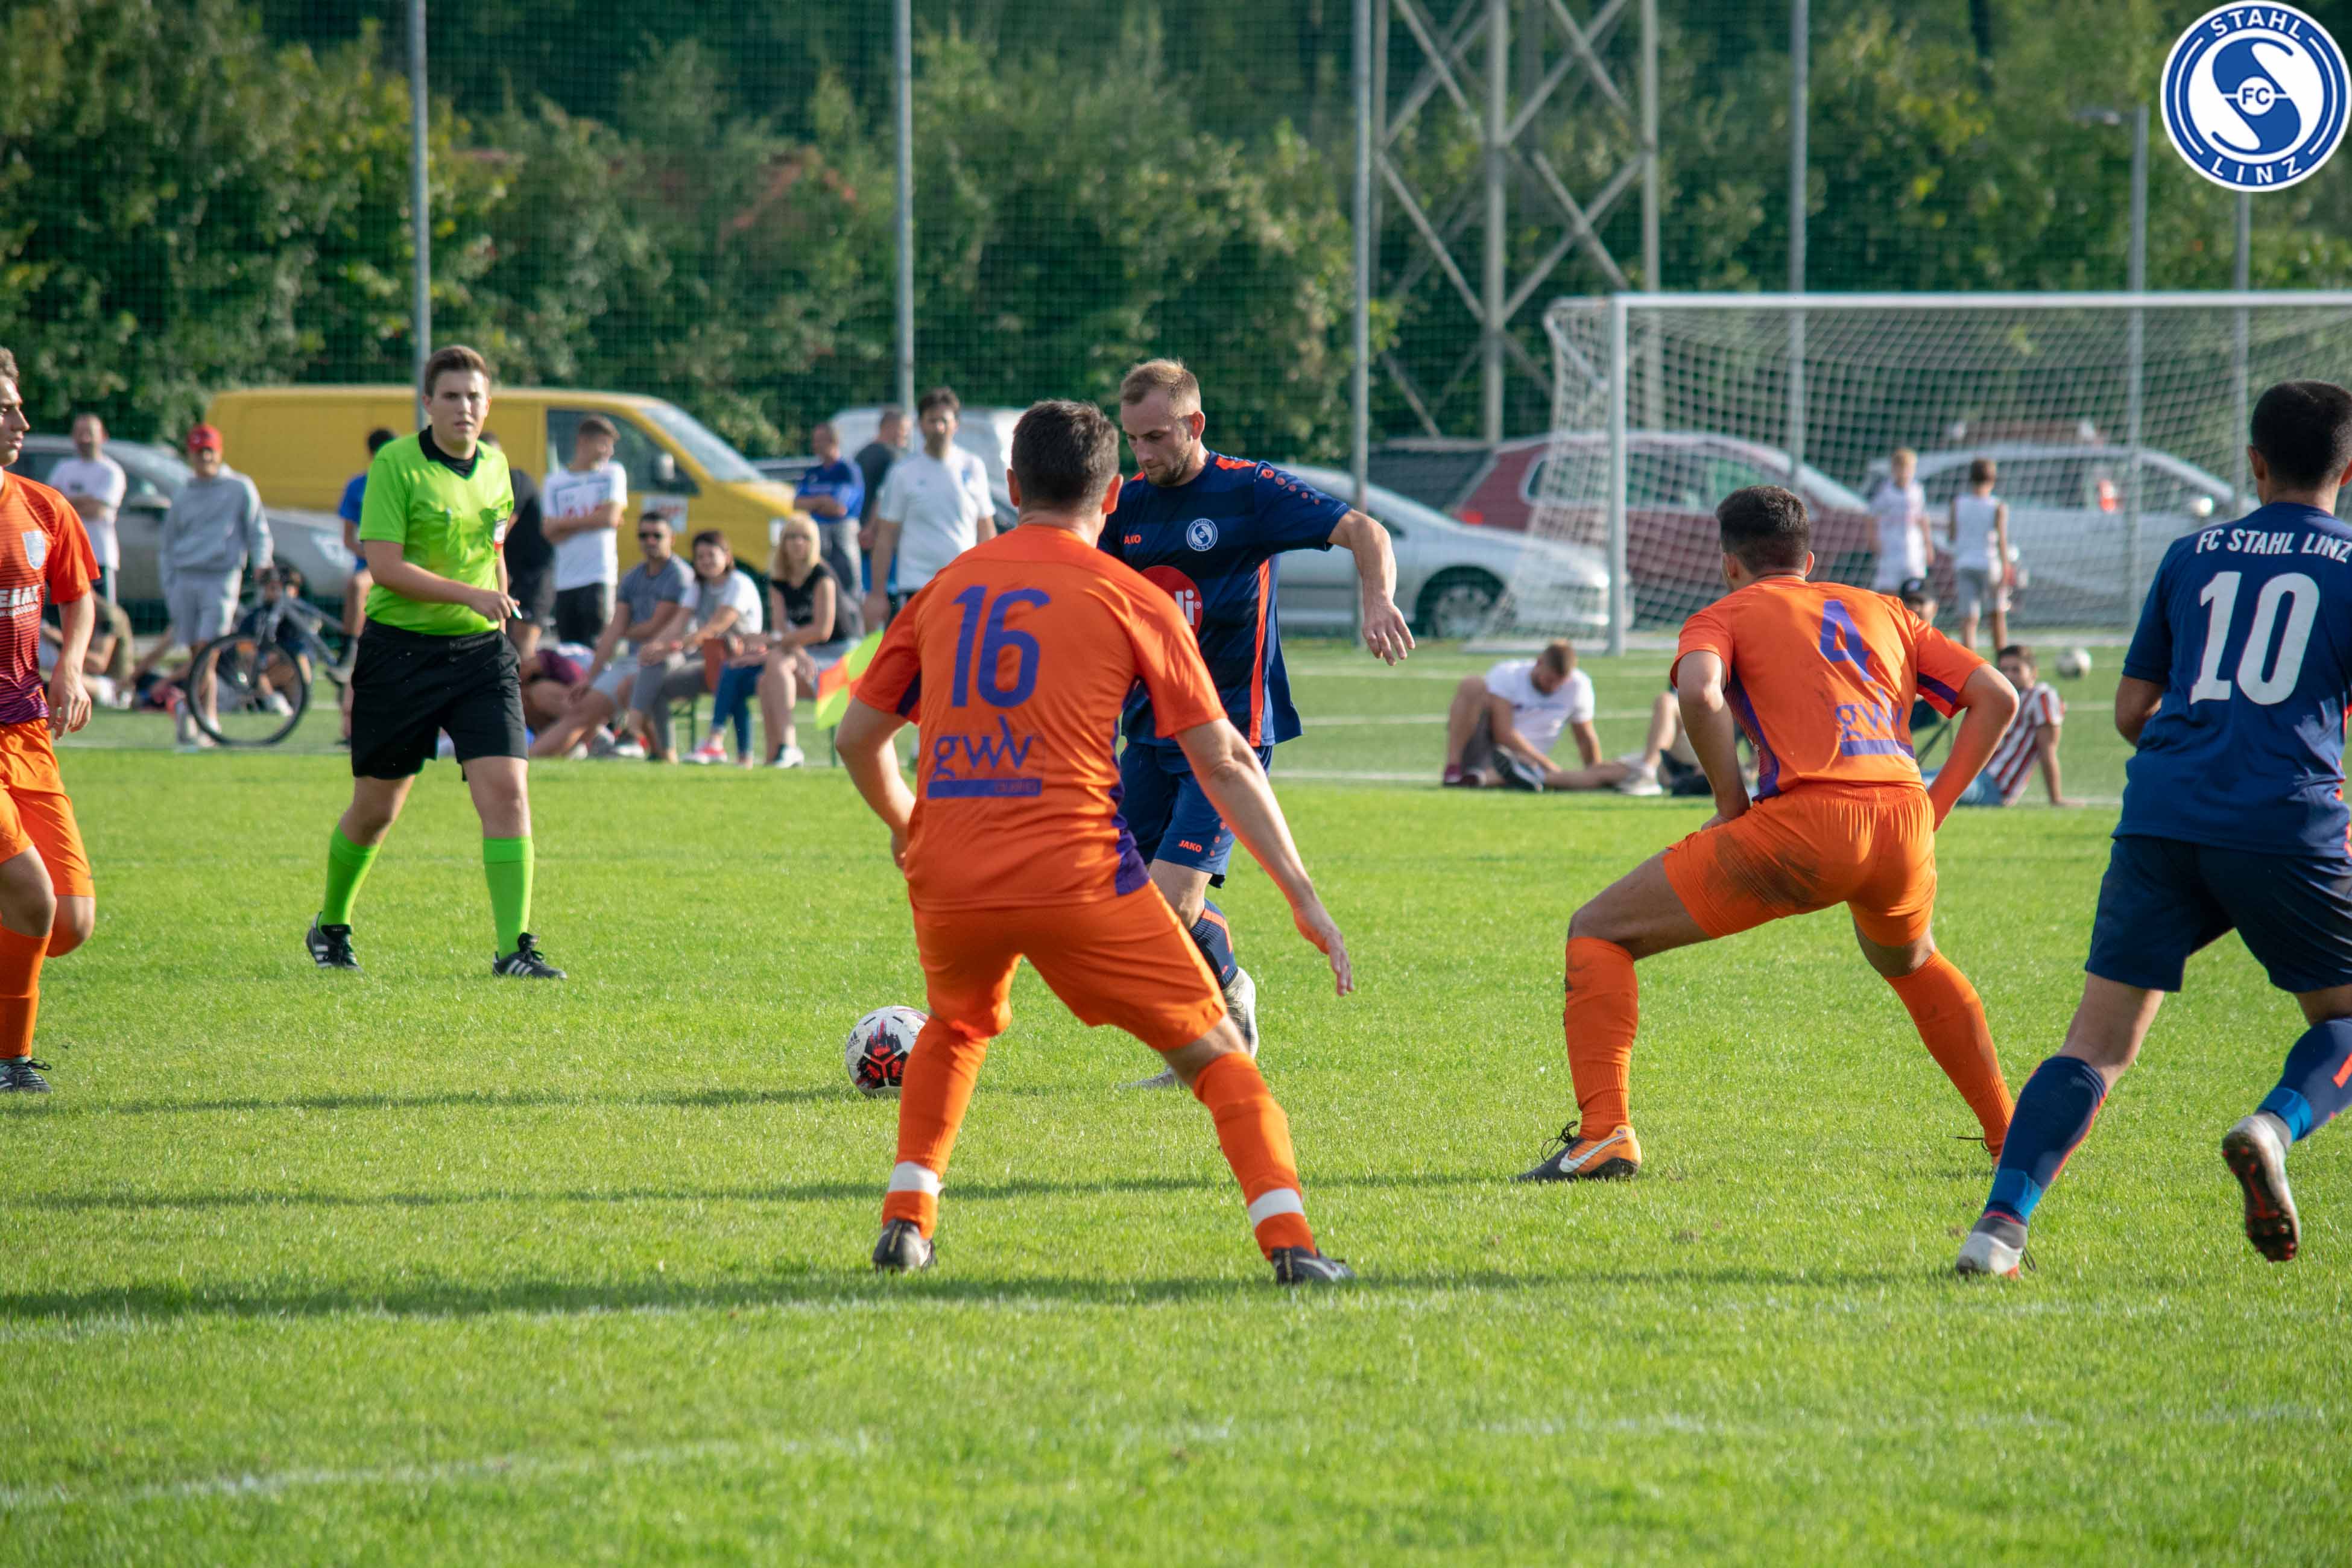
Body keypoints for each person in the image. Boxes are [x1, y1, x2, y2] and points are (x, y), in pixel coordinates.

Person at [837, 397, 1356, 1285]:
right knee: (1220, 1059)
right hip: (1077, 874)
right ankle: (1292, 1246)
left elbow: (857, 738)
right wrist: (1303, 895)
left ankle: (907, 1223)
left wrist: (907, 822)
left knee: (956, 1027)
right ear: (1112, 495)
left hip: (952, 871)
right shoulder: (1131, 595)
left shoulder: (943, 588)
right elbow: (1226, 758)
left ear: (1010, 487)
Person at [1956, 381, 2352, 1278]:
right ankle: (2274, 1126)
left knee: (2094, 1046)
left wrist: (2205, 747)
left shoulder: (2192, 554)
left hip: (2162, 816)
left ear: (2254, 462)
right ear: (2349, 470)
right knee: (2343, 1017)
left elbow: (2133, 709)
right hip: (2285, 821)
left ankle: (1998, 1231)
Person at [1517, 484, 2021, 1184]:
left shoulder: (1725, 612)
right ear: (1808, 560)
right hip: (1903, 822)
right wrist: (1932, 807)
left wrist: (1731, 803)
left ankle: (1606, 1134)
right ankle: (2011, 1138)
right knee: (1911, 961)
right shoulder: (1888, 609)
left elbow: (1699, 692)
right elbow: (1998, 695)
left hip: (1806, 825)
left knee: (1599, 931)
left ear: (1730, 563)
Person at [1107, 358, 1414, 1088]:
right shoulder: (1124, 505)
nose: (1143, 453)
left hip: (1230, 734)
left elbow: (1366, 531)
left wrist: (1377, 600)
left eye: (1156, 437)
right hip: (1147, 729)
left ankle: (1213, 1034)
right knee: (1123, 897)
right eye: (1133, 439)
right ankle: (1229, 990)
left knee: (1170, 901)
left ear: (1194, 424)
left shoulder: (1248, 489)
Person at [306, 344, 564, 980]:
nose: (463, 407)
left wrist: (499, 607)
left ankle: (514, 948)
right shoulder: (396, 465)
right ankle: (331, 924)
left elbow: (494, 552)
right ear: (428, 403)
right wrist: (470, 595)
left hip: (481, 655)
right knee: (378, 810)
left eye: (474, 396)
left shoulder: (498, 470)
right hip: (400, 653)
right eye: (450, 395)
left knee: (509, 792)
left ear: (488, 404)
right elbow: (385, 566)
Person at [0, 347, 100, 1093]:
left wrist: (71, 666)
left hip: (27, 729)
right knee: (30, 894)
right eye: (5, 408)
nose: (23, 421)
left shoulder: (43, 506)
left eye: (19, 404)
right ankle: (12, 1061)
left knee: (69, 919)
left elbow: (79, 593)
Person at [526, 512, 693, 762]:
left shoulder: (679, 575)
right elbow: (614, 630)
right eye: (643, 535)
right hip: (634, 661)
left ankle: (656, 752)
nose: (650, 541)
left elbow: (654, 627)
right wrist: (591, 677)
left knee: (632, 687)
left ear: (672, 539)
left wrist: (620, 631)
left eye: (657, 536)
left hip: (671, 658)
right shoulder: (633, 577)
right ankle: (529, 761)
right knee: (581, 710)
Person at [153, 423, 270, 750]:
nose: (205, 457)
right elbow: (168, 544)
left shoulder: (239, 487)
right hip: (185, 578)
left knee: (210, 649)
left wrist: (262, 563)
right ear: (190, 455)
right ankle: (207, 719)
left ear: (219, 452)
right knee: (198, 653)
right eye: (198, 452)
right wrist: (170, 584)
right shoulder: (183, 493)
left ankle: (188, 710)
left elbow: (258, 530)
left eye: (209, 451)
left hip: (221, 577)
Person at [865, 387, 993, 630]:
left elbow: (985, 528)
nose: (939, 427)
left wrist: (991, 579)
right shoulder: (903, 472)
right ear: (920, 425)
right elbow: (886, 537)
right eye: (932, 421)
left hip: (964, 585)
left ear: (956, 424)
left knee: (961, 652)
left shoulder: (973, 466)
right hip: (917, 586)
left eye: (944, 420)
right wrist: (877, 594)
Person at [751, 514, 850, 770]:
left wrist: (784, 644)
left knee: (772, 668)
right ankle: (775, 755)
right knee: (765, 680)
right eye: (792, 537)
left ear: (814, 542)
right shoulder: (778, 580)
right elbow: (780, 629)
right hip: (803, 652)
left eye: (805, 537)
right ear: (783, 543)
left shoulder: (822, 576)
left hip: (838, 653)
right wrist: (799, 653)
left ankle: (788, 746)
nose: (798, 543)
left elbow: (822, 630)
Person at [1440, 640, 1598, 791]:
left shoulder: (1579, 685)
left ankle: (1482, 779)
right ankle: (1454, 768)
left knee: (1605, 772)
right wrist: (1548, 766)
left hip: (1529, 762)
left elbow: (1585, 736)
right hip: (1493, 752)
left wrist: (1593, 771)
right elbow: (1503, 733)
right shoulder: (1508, 674)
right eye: (1550, 680)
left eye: (1560, 683)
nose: (1553, 687)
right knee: (1472, 684)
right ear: (1539, 663)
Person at [1939, 646, 2076, 809]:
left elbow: (2048, 751)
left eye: (2016, 670)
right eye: (2004, 670)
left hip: (1993, 784)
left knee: (1925, 786)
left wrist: (2056, 798)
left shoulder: (2042, 696)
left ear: (2033, 672)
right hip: (1974, 774)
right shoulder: (2003, 698)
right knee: (1917, 780)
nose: (2009, 675)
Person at [673, 531, 764, 767]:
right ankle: (742, 758)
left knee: (729, 672)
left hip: (752, 657)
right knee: (729, 676)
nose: (705, 561)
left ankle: (715, 741)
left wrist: (680, 644)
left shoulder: (739, 583)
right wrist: (661, 646)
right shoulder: (698, 586)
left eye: (711, 555)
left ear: (727, 556)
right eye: (700, 556)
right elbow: (679, 623)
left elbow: (717, 625)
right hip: (720, 659)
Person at [542, 415, 627, 647]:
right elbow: (550, 532)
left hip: (599, 576)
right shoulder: (554, 482)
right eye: (604, 444)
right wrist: (595, 520)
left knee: (596, 647)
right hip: (565, 580)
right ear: (583, 442)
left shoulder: (613, 473)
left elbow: (610, 518)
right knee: (568, 651)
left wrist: (563, 523)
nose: (609, 452)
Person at [792, 420, 864, 641]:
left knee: (847, 584)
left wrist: (815, 503)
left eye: (820, 440)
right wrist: (823, 501)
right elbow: (797, 503)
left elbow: (839, 508)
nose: (816, 445)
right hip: (816, 535)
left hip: (841, 535)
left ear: (834, 441)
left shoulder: (847, 471)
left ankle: (854, 635)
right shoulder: (813, 473)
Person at [46, 414, 126, 605]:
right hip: (66, 558)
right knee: (66, 614)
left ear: (103, 436)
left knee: (103, 616)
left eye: (90, 433)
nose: (85, 439)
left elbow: (97, 510)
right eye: (79, 433)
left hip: (99, 557)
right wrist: (86, 500)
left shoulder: (111, 471)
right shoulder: (64, 468)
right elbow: (51, 506)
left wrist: (66, 502)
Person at [486, 433, 549, 659]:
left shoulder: (514, 479)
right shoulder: (479, 489)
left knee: (523, 650)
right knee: (503, 647)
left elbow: (499, 532)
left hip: (532, 576)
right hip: (508, 573)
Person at [1949, 457, 2014, 651]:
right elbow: (2002, 539)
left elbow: (1952, 536)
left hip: (1964, 564)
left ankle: (1970, 663)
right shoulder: (1997, 506)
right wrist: (2006, 567)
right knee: (1997, 614)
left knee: (1969, 619)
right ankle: (2002, 658)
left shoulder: (1958, 503)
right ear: (1993, 479)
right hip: (1989, 564)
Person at [337, 429, 396, 642]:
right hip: (370, 564)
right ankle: (350, 647)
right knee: (357, 585)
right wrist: (372, 554)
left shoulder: (404, 484)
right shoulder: (358, 486)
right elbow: (348, 539)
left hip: (402, 560)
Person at [853, 406, 906, 598]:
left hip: (860, 533)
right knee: (888, 593)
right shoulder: (893, 456)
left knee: (867, 592)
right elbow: (883, 496)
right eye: (903, 429)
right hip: (881, 535)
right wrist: (871, 528)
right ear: (890, 427)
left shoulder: (861, 454)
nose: (906, 436)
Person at [1870, 447, 1932, 594]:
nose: (1904, 472)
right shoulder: (1884, 491)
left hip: (1913, 548)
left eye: (1908, 468)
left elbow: (1923, 518)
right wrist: (1873, 540)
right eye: (1901, 468)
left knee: (1915, 589)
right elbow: (1871, 516)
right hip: (1890, 547)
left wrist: (1928, 544)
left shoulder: (1917, 490)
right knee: (1888, 590)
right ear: (1894, 469)